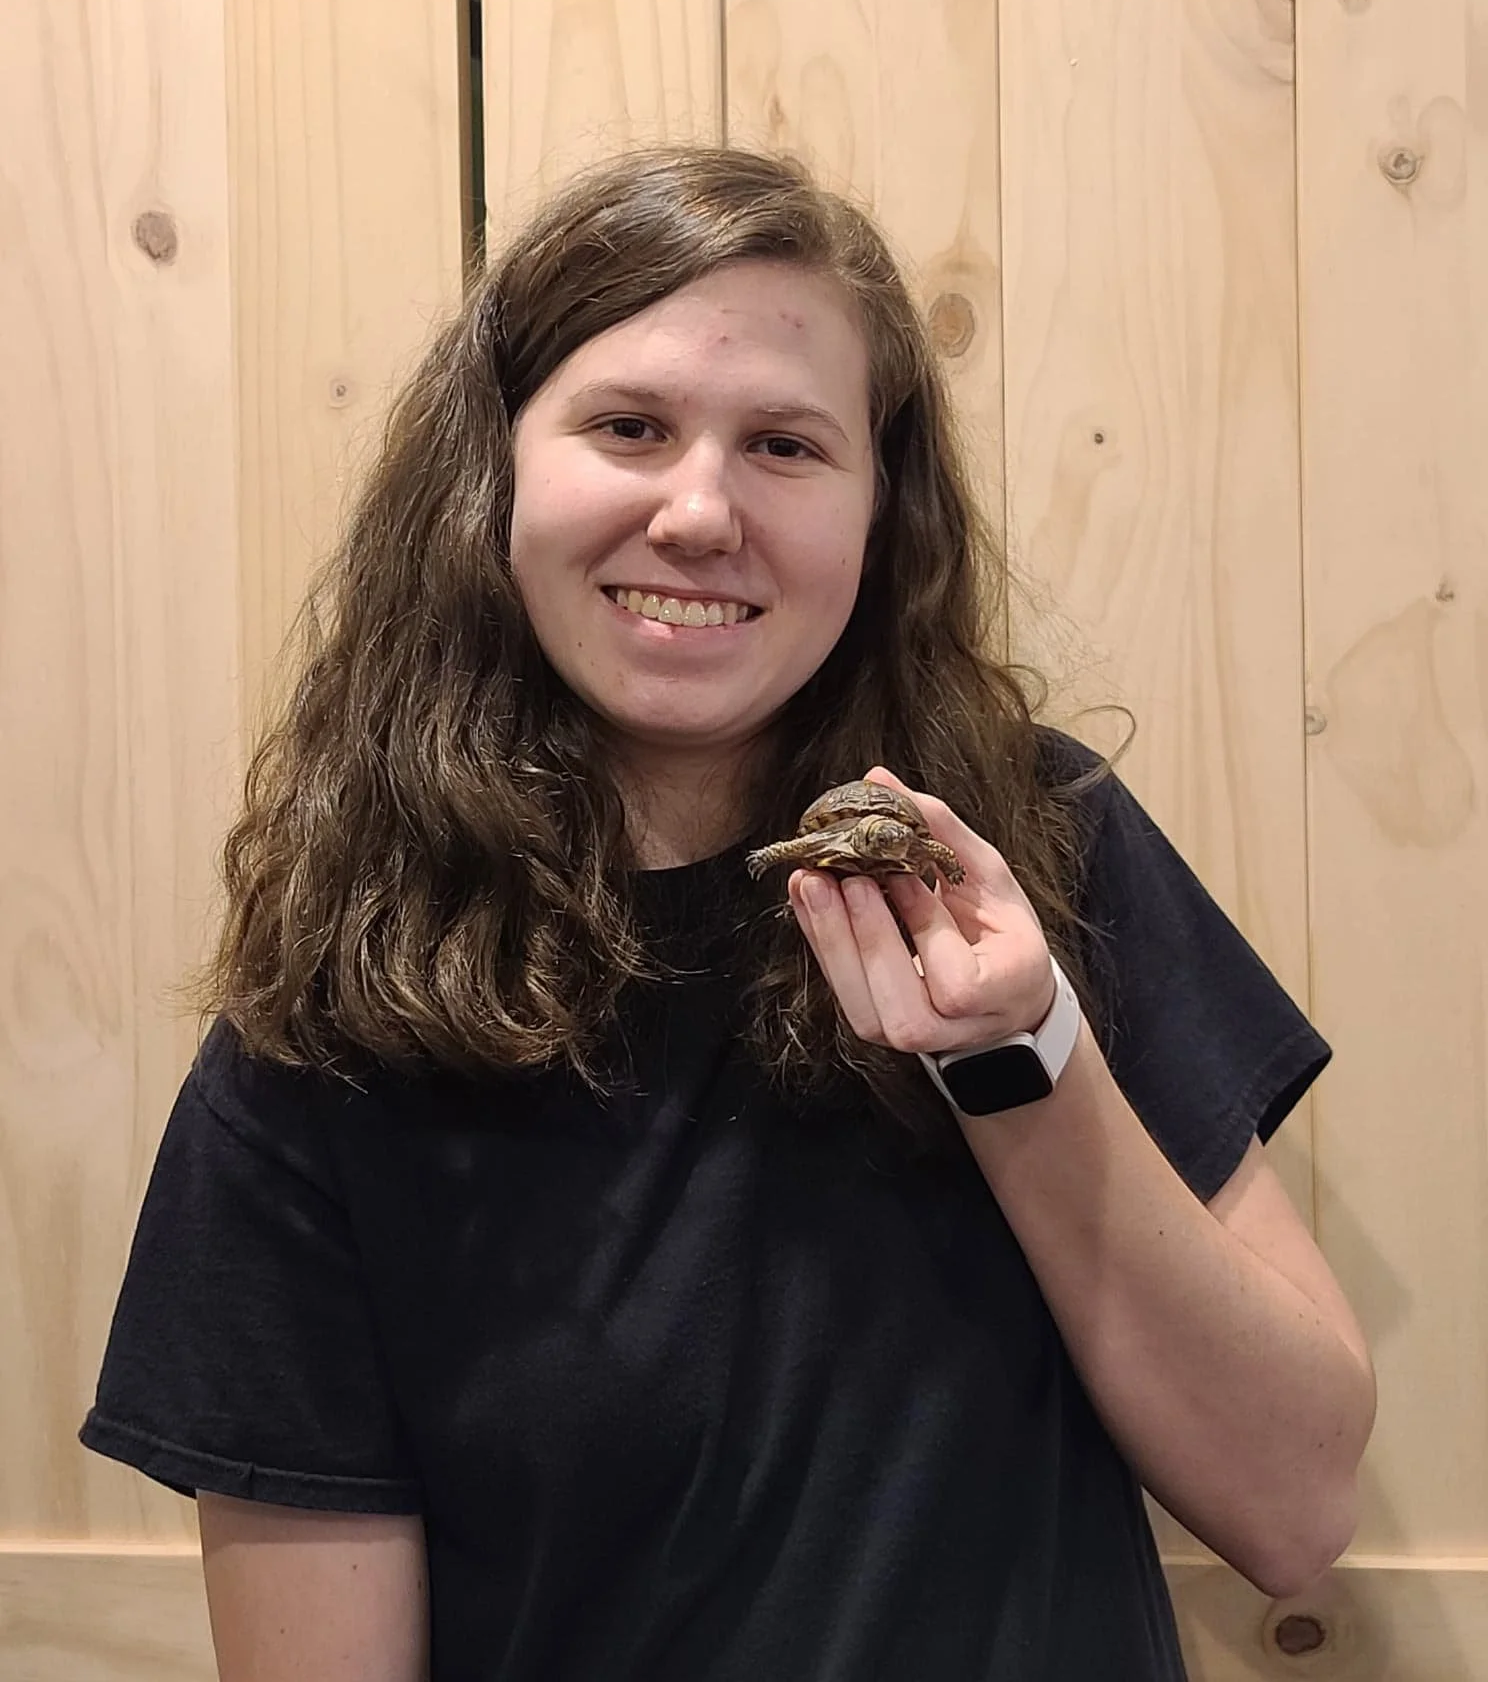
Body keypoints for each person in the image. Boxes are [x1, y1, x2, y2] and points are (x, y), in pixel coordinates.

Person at [80, 145, 1375, 1682]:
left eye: (784, 444)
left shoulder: (1039, 849)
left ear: (881, 511)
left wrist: (1025, 1063)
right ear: (494, 476)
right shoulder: (334, 1023)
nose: (699, 513)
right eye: (629, 427)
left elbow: (1296, 1507)